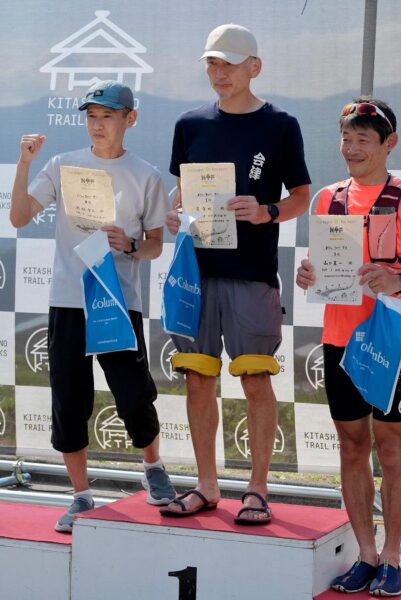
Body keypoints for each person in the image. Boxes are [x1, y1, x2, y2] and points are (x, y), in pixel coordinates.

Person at [296, 98, 401, 595]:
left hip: (387, 341)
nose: (352, 147)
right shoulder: (328, 198)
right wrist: (307, 275)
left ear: (389, 144)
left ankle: (391, 556)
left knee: (390, 446)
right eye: (347, 137)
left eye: (365, 138)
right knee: (350, 447)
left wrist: (397, 278)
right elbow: (321, 268)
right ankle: (364, 553)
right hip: (339, 339)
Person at [160, 24, 310, 524]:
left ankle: (258, 488)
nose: (219, 73)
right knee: (198, 382)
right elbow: (182, 193)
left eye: (228, 63)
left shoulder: (281, 124)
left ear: (254, 67)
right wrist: (175, 216)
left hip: (253, 275)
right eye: (212, 63)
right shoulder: (189, 124)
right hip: (196, 274)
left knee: (253, 379)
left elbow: (301, 199)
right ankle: (206, 484)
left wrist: (267, 211)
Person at [10, 80, 176, 532]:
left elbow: (156, 247)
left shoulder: (146, 175)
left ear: (130, 119)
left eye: (107, 116)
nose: (97, 125)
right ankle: (80, 496)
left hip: (119, 300)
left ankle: (154, 467)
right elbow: (20, 216)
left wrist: (132, 244)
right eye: (91, 116)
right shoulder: (63, 165)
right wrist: (25, 164)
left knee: (133, 393)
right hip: (67, 298)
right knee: (69, 398)